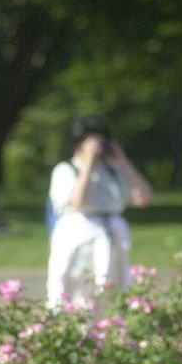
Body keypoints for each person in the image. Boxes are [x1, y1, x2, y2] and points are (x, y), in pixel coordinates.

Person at [46, 115, 152, 309]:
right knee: (79, 292)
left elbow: (143, 197)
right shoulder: (65, 170)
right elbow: (77, 201)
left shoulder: (112, 171)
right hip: (79, 241)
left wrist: (123, 162)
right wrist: (87, 162)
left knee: (111, 291)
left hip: (112, 239)